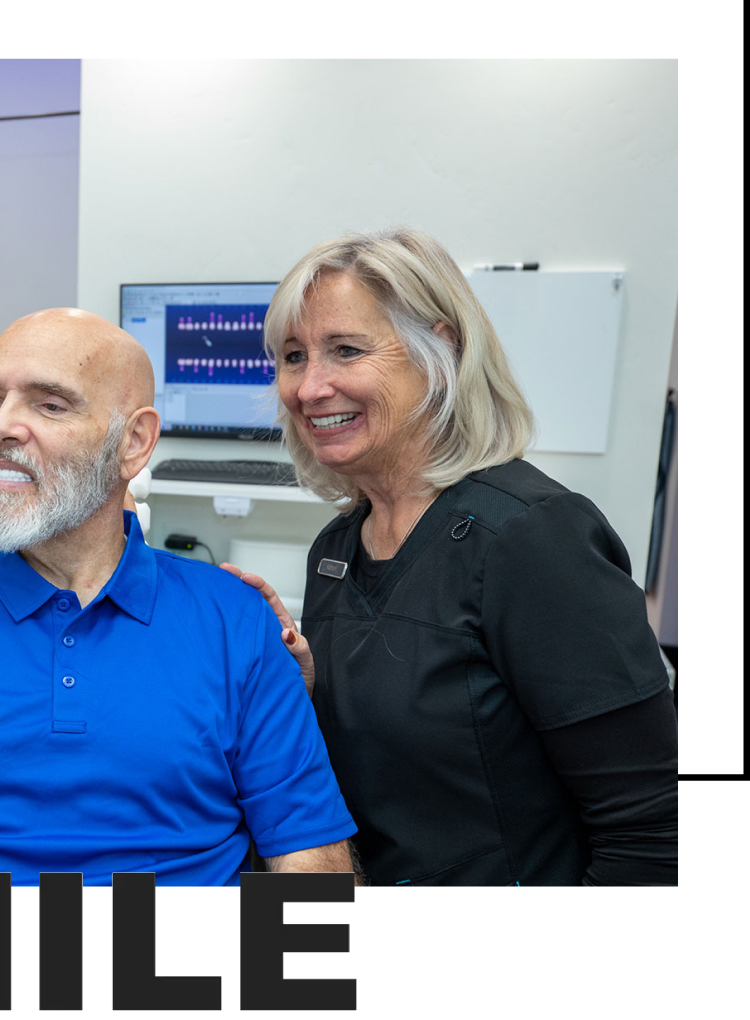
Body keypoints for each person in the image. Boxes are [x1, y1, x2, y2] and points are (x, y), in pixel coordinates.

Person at [0, 308, 359, 885]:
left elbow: (309, 856)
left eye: (49, 404)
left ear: (134, 442)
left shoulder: (235, 620)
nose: (1, 427)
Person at [224, 228, 677, 886]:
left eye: (345, 350)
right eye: (293, 357)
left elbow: (653, 830)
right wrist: (302, 689)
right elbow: (401, 745)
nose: (309, 387)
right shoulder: (338, 549)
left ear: (440, 349)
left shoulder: (531, 537)